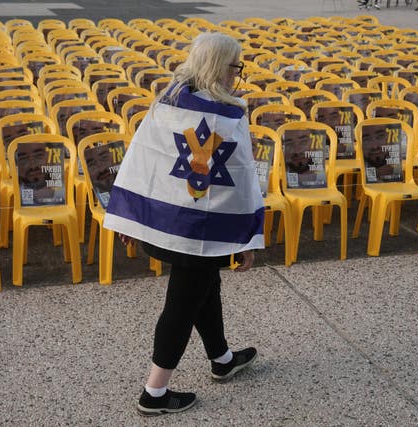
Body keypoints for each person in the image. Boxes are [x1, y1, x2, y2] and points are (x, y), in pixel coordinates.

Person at [103, 32, 264, 417]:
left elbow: (144, 160)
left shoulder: (167, 101)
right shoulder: (230, 116)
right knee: (181, 305)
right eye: (235, 66)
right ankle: (154, 393)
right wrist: (246, 239)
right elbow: (241, 182)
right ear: (221, 67)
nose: (237, 74)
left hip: (164, 223)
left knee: (204, 285)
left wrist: (132, 215)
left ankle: (222, 358)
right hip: (203, 229)